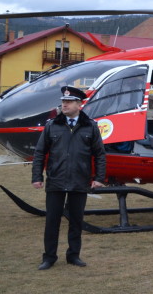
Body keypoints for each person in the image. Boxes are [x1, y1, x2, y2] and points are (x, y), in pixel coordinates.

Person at [31, 86, 107, 270]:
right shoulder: (52, 125)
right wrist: (37, 176)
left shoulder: (91, 126)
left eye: (68, 102)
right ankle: (49, 257)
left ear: (79, 104)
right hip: (56, 181)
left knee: (76, 221)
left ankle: (74, 256)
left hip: (79, 181)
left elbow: (100, 154)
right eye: (63, 101)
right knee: (52, 222)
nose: (64, 105)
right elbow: (40, 152)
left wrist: (99, 177)